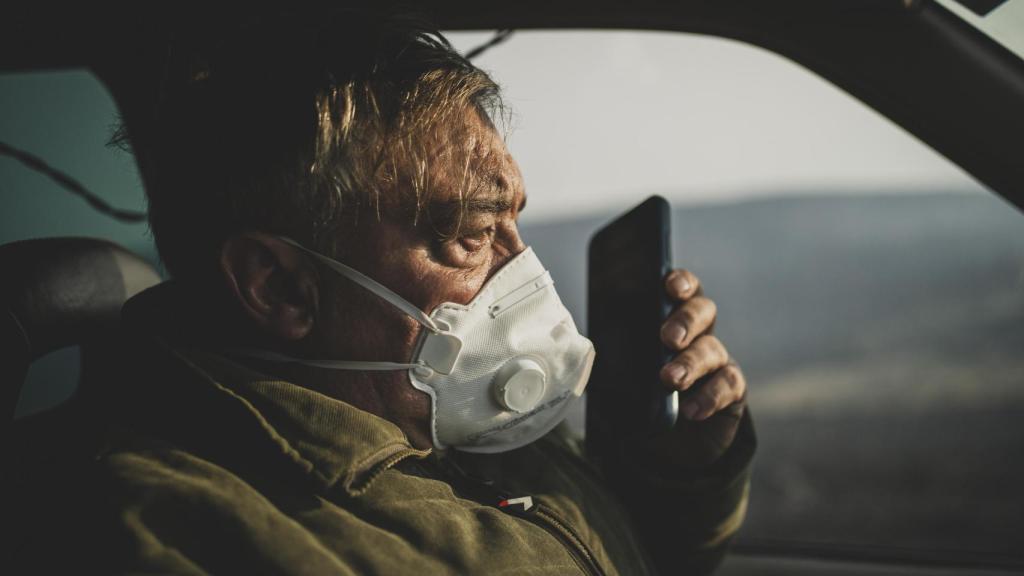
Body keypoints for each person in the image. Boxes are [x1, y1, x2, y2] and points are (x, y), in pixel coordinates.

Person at [8, 10, 754, 575]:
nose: (522, 274)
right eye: (468, 233)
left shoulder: (478, 424)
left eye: (513, 225)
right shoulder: (177, 530)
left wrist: (686, 471)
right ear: (281, 288)